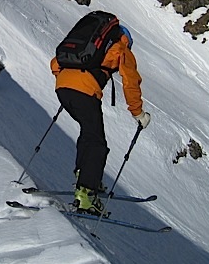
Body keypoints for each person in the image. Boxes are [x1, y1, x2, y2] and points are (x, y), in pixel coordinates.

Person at [50, 23, 150, 216]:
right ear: (127, 40)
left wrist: (68, 82)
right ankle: (86, 194)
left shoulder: (90, 43)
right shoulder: (121, 47)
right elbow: (130, 81)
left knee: (89, 133)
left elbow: (55, 63)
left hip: (63, 88)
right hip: (84, 91)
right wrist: (138, 113)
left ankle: (85, 174)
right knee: (97, 143)